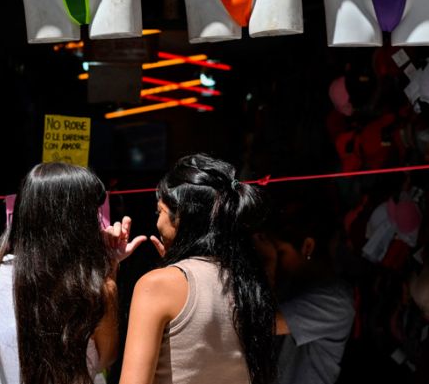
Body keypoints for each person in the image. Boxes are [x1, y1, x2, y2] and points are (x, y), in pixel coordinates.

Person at [0, 162, 146, 384]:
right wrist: (109, 269)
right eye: (93, 213)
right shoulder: (94, 289)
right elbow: (106, 359)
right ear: (76, 223)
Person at [118, 153, 277, 384]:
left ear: (180, 217)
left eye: (159, 212)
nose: (158, 222)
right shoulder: (249, 282)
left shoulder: (157, 285)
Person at [257, 192, 354, 384]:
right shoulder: (294, 281)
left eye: (281, 252)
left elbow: (259, 323)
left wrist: (268, 261)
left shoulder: (336, 301)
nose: (278, 259)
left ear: (308, 247)